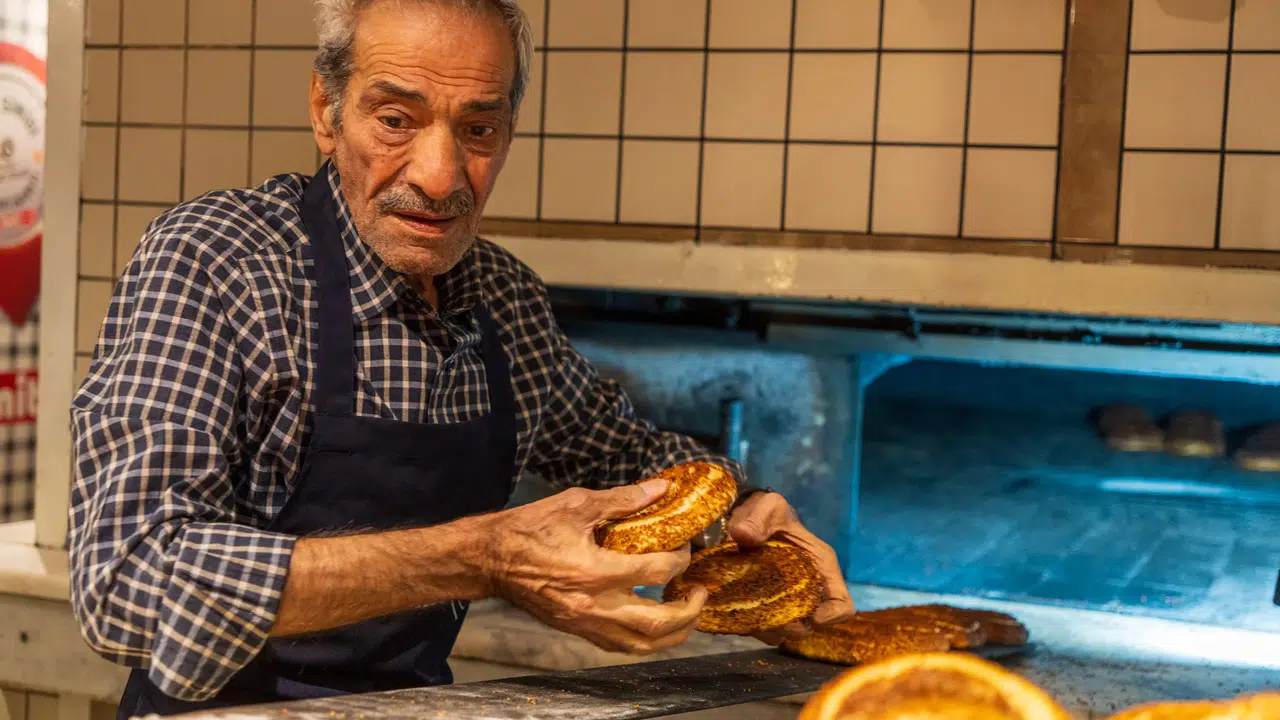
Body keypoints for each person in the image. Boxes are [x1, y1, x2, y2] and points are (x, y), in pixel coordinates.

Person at [67, 0, 855, 716]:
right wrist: (482, 557)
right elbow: (128, 583)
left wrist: (743, 522)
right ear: (326, 110)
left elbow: (629, 460)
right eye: (396, 120)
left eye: (478, 130)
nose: (441, 177)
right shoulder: (217, 261)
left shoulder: (504, 299)